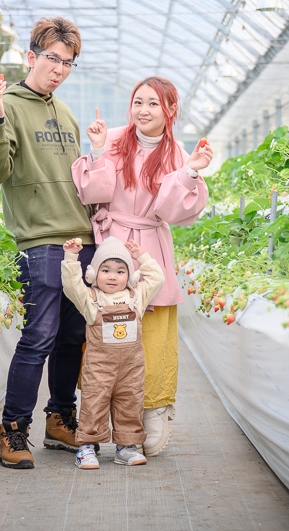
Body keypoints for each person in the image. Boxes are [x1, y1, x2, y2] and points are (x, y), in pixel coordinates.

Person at [71, 76, 213, 456]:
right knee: (104, 328)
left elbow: (170, 211)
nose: (144, 111)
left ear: (170, 110)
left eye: (153, 104)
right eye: (138, 102)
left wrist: (191, 172)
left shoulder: (178, 154)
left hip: (149, 244)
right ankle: (98, 415)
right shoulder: (115, 138)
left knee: (149, 334)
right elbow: (95, 192)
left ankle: (152, 410)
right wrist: (98, 150)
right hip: (112, 243)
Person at [0, 17, 96, 470]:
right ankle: (13, 429)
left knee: (71, 339)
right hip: (40, 242)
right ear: (31, 57)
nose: (60, 69)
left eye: (68, 63)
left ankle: (59, 418)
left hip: (78, 239)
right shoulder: (7, 104)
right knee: (38, 338)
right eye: (53, 59)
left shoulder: (65, 112)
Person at [60, 236, 164, 469]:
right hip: (99, 367)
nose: (112, 276)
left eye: (120, 271)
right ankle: (86, 446)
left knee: (131, 403)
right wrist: (71, 257)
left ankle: (127, 447)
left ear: (130, 276)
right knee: (93, 404)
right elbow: (71, 285)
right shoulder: (90, 299)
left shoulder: (137, 297)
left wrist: (141, 257)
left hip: (131, 367)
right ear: (93, 274)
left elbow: (157, 278)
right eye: (105, 270)